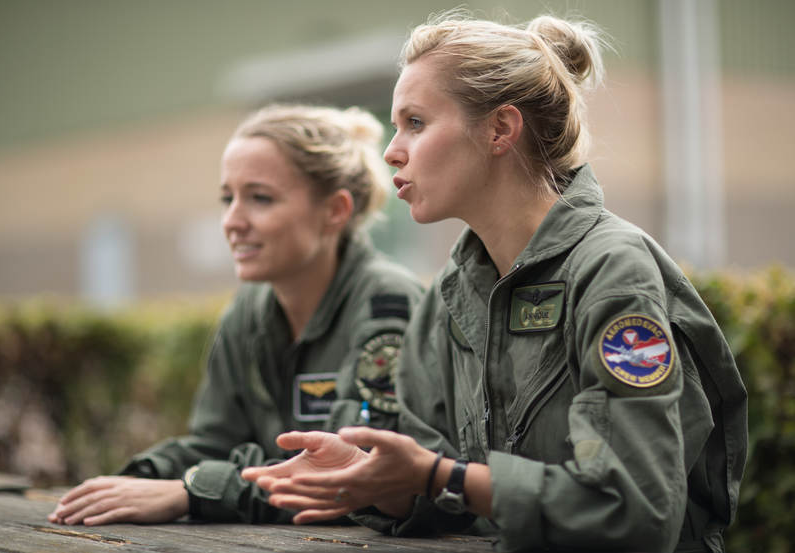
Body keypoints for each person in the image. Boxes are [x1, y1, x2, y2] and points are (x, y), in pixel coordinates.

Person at [241, 12, 748, 553]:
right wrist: (380, 480)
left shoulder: (612, 271)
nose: (391, 149)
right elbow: (440, 488)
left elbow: (635, 513)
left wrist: (439, 476)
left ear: (500, 129)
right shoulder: (451, 295)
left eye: (416, 122)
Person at [47, 104, 424, 526]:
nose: (232, 221)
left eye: (260, 198)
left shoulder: (387, 303)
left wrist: (193, 491)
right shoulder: (248, 309)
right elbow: (214, 443)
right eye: (228, 198)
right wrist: (136, 480)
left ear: (335, 210)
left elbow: (354, 475)